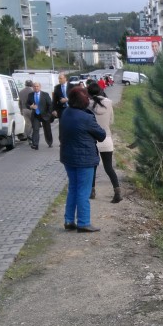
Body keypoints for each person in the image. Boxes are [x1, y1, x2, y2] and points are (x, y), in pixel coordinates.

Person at [59, 87, 106, 233]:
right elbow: (101, 135)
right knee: (83, 191)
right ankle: (84, 222)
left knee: (73, 188)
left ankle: (69, 220)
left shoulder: (65, 113)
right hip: (84, 159)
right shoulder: (86, 117)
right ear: (84, 100)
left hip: (68, 158)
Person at [87, 82, 122, 203]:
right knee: (109, 168)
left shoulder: (87, 104)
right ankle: (117, 191)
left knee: (92, 167)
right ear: (101, 91)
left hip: (92, 140)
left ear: (89, 93)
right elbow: (111, 121)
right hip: (106, 139)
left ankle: (92, 191)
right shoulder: (109, 102)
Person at [25, 82, 53, 150]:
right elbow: (27, 104)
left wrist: (49, 114)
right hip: (35, 115)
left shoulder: (45, 94)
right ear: (32, 87)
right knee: (35, 129)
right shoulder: (30, 95)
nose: (36, 88)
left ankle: (49, 142)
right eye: (34, 86)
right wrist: (30, 106)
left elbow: (50, 105)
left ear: (40, 87)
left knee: (47, 130)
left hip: (45, 115)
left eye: (37, 86)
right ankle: (35, 144)